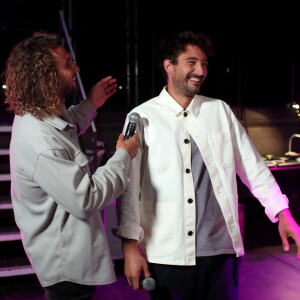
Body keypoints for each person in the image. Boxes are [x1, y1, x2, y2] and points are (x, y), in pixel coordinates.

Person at [112, 31, 300, 300]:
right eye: (191, 62)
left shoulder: (220, 111)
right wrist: (130, 248)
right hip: (168, 254)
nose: (200, 70)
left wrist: (284, 214)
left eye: (205, 64)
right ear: (169, 65)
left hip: (222, 252)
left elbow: (252, 167)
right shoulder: (142, 117)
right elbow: (130, 190)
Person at [4, 32, 139, 300]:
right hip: (65, 269)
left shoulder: (42, 114)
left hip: (69, 263)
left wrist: (91, 103)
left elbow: (68, 127)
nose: (76, 69)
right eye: (67, 64)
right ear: (46, 77)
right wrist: (123, 156)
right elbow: (86, 198)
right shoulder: (40, 140)